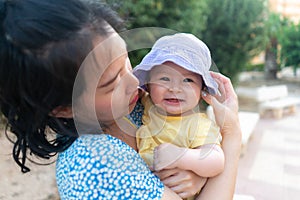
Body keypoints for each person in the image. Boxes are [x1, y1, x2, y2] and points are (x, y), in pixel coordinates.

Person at [0, 0, 242, 199]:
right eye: (111, 83)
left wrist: (198, 172)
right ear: (63, 109)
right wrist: (231, 134)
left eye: (126, 58)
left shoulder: (133, 105)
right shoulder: (95, 171)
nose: (134, 82)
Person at [133, 34, 225, 189]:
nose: (175, 88)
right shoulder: (149, 103)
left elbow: (216, 160)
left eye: (188, 80)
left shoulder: (198, 125)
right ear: (148, 85)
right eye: (164, 78)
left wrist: (181, 156)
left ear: (202, 90)